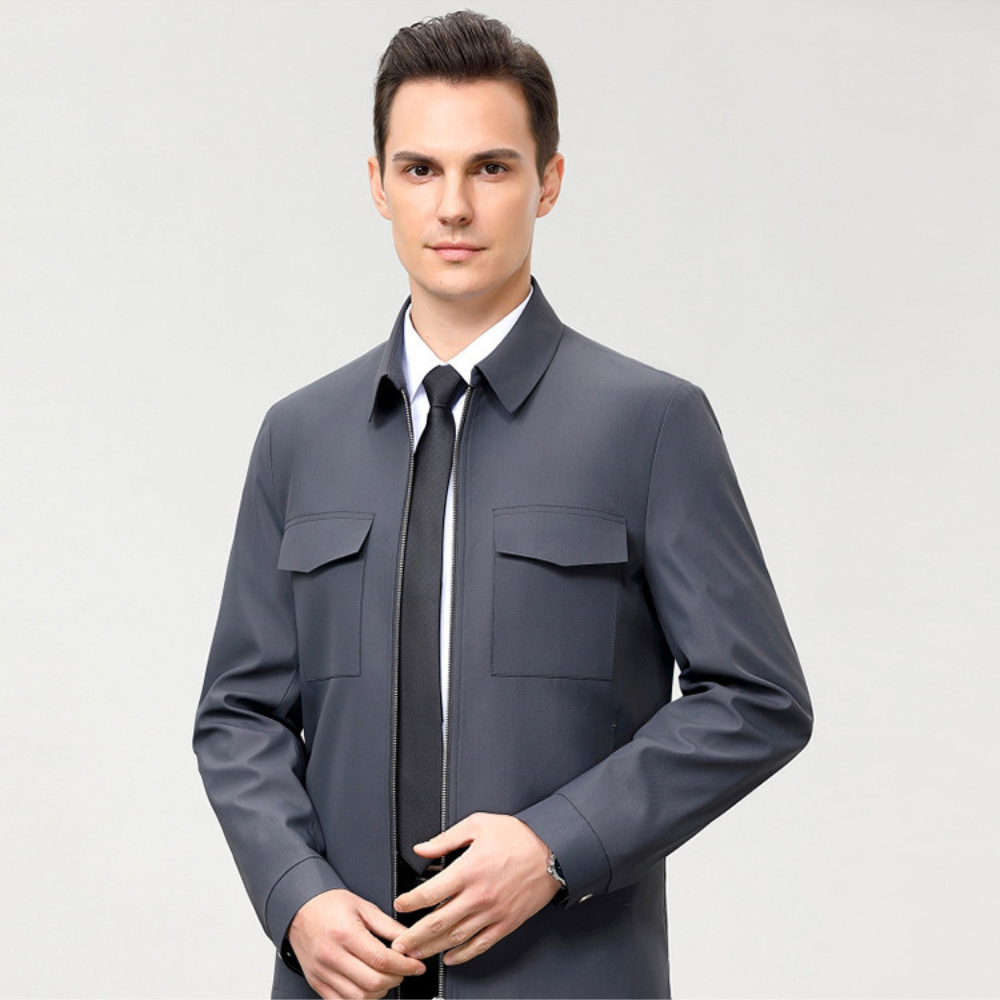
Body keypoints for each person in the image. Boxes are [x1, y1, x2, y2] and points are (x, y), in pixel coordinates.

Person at [193, 10, 813, 1000]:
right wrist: (295, 895)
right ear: (377, 185)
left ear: (547, 182)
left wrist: (556, 845)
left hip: (569, 976)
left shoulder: (649, 424)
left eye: (490, 168)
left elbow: (757, 698)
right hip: (343, 985)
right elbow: (238, 714)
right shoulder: (297, 437)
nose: (453, 206)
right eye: (420, 169)